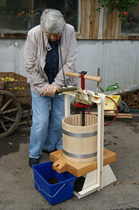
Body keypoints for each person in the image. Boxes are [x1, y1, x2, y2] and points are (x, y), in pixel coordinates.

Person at [24, 9, 78, 167]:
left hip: (62, 84)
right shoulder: (33, 34)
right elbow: (30, 65)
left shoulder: (69, 31)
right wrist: (44, 86)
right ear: (43, 29)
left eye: (57, 34)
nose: (54, 38)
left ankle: (49, 146)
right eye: (50, 35)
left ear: (63, 28)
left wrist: (56, 85)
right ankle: (34, 152)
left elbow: (70, 62)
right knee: (41, 121)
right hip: (40, 83)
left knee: (58, 119)